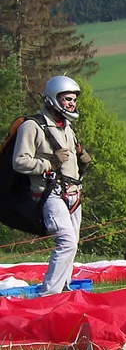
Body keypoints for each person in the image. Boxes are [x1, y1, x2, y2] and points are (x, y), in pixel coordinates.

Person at [13, 75, 90, 296]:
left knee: (72, 242)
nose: (71, 104)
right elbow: (19, 161)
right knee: (66, 241)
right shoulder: (32, 126)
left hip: (73, 194)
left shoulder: (66, 126)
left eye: (74, 99)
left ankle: (63, 287)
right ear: (53, 99)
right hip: (49, 193)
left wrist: (82, 160)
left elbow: (69, 158)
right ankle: (49, 295)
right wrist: (49, 163)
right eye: (66, 99)